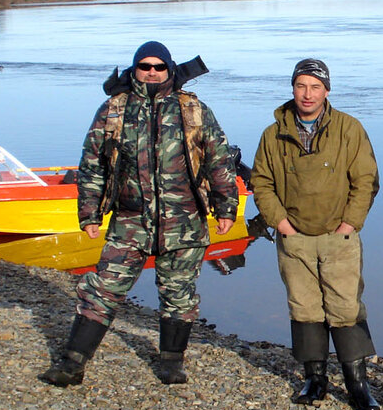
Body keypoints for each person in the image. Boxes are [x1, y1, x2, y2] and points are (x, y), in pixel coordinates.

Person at [40, 41, 239, 387]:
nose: (151, 72)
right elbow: (93, 165)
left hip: (184, 221)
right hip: (130, 220)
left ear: (169, 69)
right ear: (134, 69)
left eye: (158, 66)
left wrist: (226, 207)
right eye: (144, 66)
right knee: (103, 288)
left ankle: (171, 364)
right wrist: (89, 213)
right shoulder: (113, 110)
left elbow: (218, 159)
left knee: (179, 293)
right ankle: (72, 363)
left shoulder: (192, 109)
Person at [251, 59, 382, 410]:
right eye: (301, 86)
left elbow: (366, 180)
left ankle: (358, 385)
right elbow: (260, 182)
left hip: (338, 237)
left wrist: (349, 225)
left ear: (327, 90)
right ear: (292, 88)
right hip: (294, 238)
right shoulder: (272, 134)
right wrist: (279, 223)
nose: (307, 94)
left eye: (315, 87)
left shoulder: (348, 129)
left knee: (346, 308)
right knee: (305, 307)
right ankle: (315, 379)